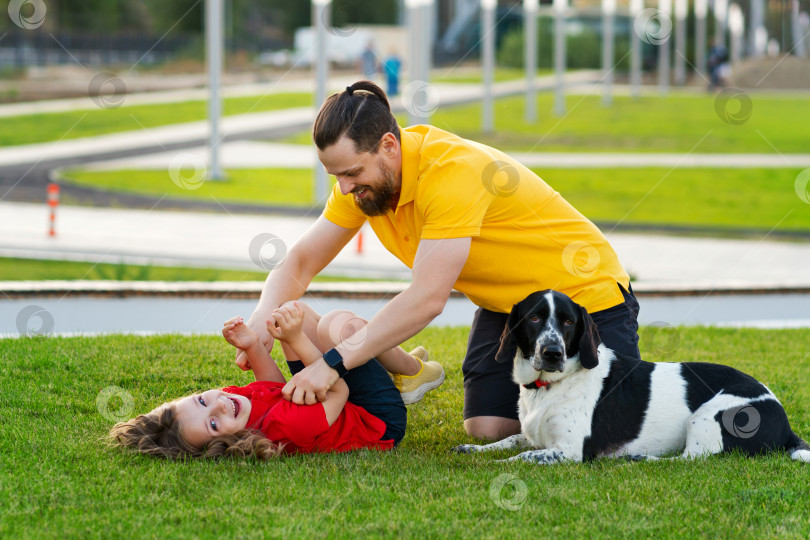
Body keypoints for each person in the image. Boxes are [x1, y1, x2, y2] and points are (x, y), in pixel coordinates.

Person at [238, 80, 639, 442]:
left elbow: (428, 298)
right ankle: (414, 371)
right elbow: (301, 262)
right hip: (515, 308)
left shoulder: (450, 173)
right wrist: (260, 319)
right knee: (486, 428)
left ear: (389, 147)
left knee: (603, 429)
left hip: (583, 300)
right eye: (336, 176)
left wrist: (332, 364)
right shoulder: (363, 185)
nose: (344, 188)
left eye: (352, 172)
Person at [109, 301, 424, 459]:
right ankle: (413, 372)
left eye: (203, 400)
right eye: (213, 425)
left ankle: (389, 361)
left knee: (286, 313)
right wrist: (297, 338)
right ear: (225, 444)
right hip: (376, 418)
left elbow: (272, 388)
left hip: (340, 401)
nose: (219, 405)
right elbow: (336, 387)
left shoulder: (234, 404)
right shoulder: (286, 428)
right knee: (338, 327)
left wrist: (253, 345)